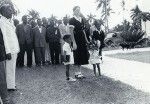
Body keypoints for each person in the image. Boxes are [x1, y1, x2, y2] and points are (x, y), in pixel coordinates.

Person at [0, 4, 20, 92]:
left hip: (14, 48)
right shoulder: (2, 21)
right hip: (10, 50)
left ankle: (11, 84)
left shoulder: (9, 21)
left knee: (12, 67)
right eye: (9, 10)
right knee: (9, 68)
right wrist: (7, 51)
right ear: (3, 12)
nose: (11, 11)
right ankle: (9, 86)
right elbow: (4, 37)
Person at [69, 6, 89, 79]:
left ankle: (79, 72)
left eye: (79, 10)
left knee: (81, 55)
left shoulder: (81, 19)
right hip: (76, 39)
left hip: (82, 39)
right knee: (76, 55)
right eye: (76, 10)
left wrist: (86, 40)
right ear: (73, 11)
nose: (78, 11)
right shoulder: (71, 20)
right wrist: (73, 42)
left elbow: (83, 31)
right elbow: (71, 32)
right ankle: (76, 73)